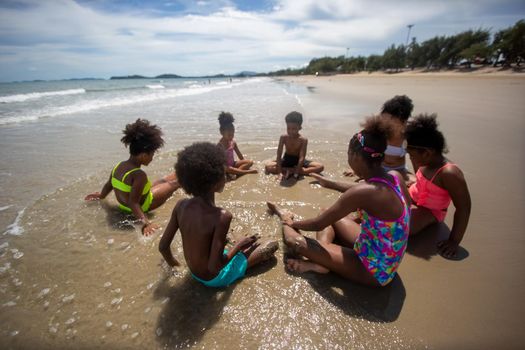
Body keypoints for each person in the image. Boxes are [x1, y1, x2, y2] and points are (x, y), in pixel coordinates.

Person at [267, 116, 411, 287]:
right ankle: (322, 262)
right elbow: (370, 191)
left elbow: (318, 224)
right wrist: (329, 183)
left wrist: (293, 222)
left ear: (355, 156)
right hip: (384, 255)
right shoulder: (396, 178)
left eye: (348, 155)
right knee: (326, 211)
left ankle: (282, 215)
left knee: (295, 242)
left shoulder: (363, 192)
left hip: (373, 272)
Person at [159, 142, 278, 288]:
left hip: (194, 273)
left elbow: (163, 247)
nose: (226, 175)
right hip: (214, 279)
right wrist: (239, 246)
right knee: (271, 245)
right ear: (215, 183)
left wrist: (177, 266)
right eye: (223, 173)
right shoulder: (221, 216)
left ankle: (236, 246)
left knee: (232, 243)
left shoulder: (180, 205)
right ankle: (239, 250)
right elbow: (214, 267)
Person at [85, 119, 179, 235]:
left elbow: (109, 185)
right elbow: (133, 202)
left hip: (127, 205)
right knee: (174, 184)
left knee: (162, 180)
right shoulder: (139, 175)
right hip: (144, 205)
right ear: (144, 155)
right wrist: (146, 223)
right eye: (152, 154)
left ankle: (179, 171)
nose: (152, 158)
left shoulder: (118, 166)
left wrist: (101, 195)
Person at [405, 114, 471, 259]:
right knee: (377, 199)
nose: (410, 158)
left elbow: (464, 208)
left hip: (430, 211)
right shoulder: (423, 161)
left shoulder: (449, 173)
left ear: (427, 153)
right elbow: (420, 178)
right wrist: (417, 184)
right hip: (413, 195)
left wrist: (454, 241)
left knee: (402, 228)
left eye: (411, 155)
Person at [344, 95, 414, 180]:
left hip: (399, 171)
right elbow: (364, 151)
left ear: (404, 121)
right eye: (384, 118)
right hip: (378, 169)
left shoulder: (407, 137)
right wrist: (356, 169)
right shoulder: (379, 133)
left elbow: (416, 159)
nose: (386, 122)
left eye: (392, 119)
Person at [264, 111, 324, 180]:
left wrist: (297, 172)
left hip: (299, 161)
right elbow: (279, 154)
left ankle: (292, 171)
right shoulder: (283, 137)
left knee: (320, 167)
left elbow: (302, 157)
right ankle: (292, 170)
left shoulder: (303, 140)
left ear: (300, 128)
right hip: (286, 159)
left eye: (294, 129)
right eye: (288, 128)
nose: (290, 131)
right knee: (268, 166)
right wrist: (279, 172)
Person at [216, 111, 257, 178]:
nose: (231, 136)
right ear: (222, 132)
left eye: (233, 134)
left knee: (250, 162)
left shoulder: (233, 142)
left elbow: (240, 156)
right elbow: (222, 165)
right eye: (229, 135)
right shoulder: (220, 146)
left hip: (233, 164)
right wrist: (248, 170)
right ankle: (243, 172)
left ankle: (237, 173)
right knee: (227, 168)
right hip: (226, 168)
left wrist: (245, 164)